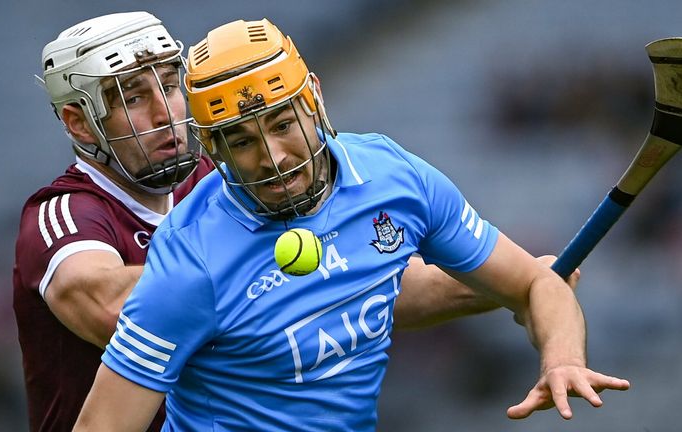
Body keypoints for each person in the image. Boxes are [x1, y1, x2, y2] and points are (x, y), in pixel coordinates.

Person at [73, 18, 629, 432]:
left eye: (281, 122)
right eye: (241, 140)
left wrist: (561, 360)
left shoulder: (394, 177)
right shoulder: (190, 261)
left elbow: (536, 282)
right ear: (213, 150)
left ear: (314, 99)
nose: (273, 157)